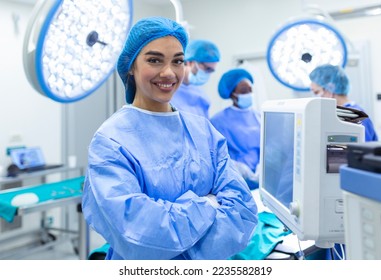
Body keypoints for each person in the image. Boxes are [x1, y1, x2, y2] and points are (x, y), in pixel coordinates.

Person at [81, 17, 258, 260]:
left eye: (177, 61)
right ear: (130, 66)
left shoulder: (203, 131)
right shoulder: (111, 142)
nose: (168, 72)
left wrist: (176, 221)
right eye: (154, 60)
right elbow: (139, 235)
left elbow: (243, 213)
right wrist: (209, 204)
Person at [210, 68, 261, 190]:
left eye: (250, 90)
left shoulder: (259, 117)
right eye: (244, 91)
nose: (248, 94)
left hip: (261, 179)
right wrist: (236, 168)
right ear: (232, 94)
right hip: (234, 179)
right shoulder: (218, 121)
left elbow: (269, 147)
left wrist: (263, 166)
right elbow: (215, 154)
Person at [309, 64, 378, 141]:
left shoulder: (356, 117)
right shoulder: (334, 114)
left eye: (316, 92)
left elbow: (362, 150)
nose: (316, 97)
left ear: (330, 88)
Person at [170, 39, 220, 118]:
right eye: (206, 68)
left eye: (211, 70)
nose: (207, 73)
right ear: (190, 62)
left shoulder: (201, 95)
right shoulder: (168, 88)